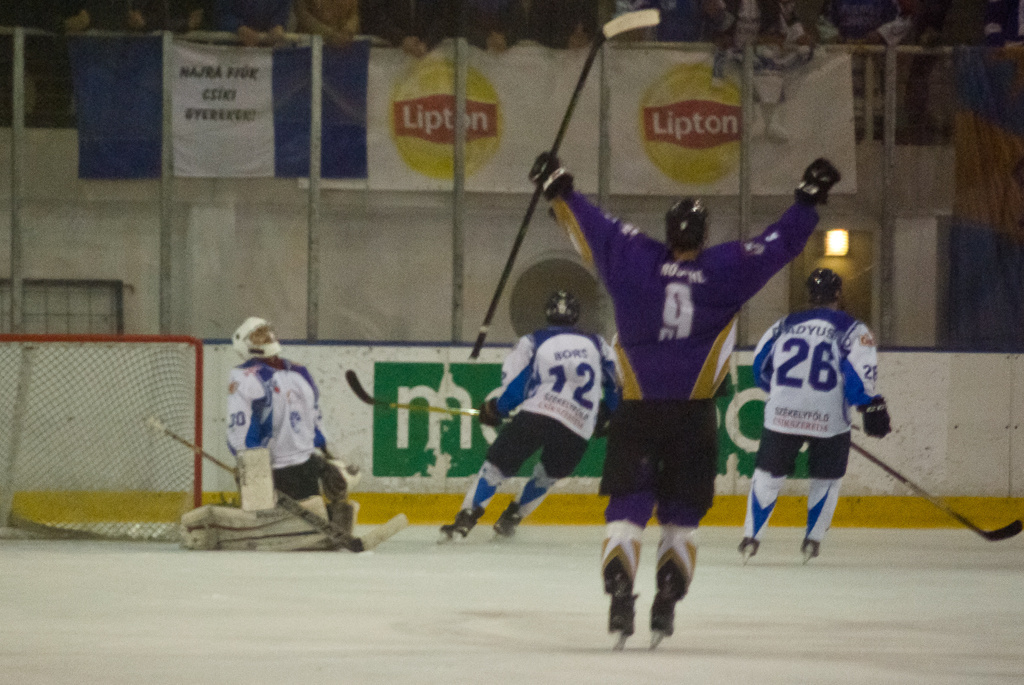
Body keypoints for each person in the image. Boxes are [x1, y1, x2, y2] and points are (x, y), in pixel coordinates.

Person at [528, 152, 841, 648]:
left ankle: (618, 587)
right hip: (692, 420)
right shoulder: (726, 269)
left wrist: (558, 187)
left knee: (626, 514)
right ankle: (667, 599)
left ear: (668, 230)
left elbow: (590, 225)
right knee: (680, 522)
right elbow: (779, 246)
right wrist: (806, 200)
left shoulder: (634, 259)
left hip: (638, 415)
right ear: (703, 234)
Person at [440, 291, 621, 541]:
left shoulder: (532, 341)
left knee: (496, 467)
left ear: (547, 313)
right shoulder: (598, 344)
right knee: (547, 476)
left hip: (538, 415)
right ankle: (511, 520)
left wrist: (496, 408)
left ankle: (466, 518)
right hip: (578, 427)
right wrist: (608, 412)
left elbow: (518, 384)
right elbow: (616, 384)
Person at [739, 268, 892, 564]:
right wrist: (868, 404)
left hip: (782, 413)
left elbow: (760, 367)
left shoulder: (783, 325)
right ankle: (812, 540)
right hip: (829, 417)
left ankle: (751, 537)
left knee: (768, 474)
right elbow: (858, 376)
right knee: (827, 477)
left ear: (809, 295)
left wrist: (785, 395)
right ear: (838, 294)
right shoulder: (853, 329)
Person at [227, 317, 361, 534]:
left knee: (317, 514)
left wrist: (328, 457)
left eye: (266, 331)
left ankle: (328, 518)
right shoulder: (244, 377)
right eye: (258, 335)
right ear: (246, 345)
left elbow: (315, 417)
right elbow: (240, 428)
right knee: (291, 527)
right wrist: (250, 465)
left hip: (305, 464)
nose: (267, 338)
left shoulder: (299, 372)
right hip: (274, 469)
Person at [214, 0, 292, 47]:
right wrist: (238, 27)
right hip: (231, 51)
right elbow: (220, 13)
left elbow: (283, 9)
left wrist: (278, 25)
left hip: (267, 52)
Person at [294, 0, 359, 47]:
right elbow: (302, 14)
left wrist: (348, 30)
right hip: (309, 46)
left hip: (345, 47)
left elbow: (354, 13)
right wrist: (329, 34)